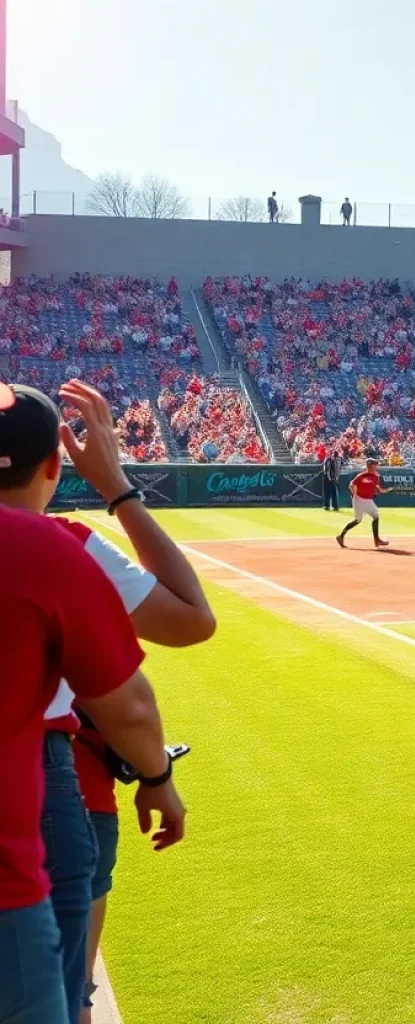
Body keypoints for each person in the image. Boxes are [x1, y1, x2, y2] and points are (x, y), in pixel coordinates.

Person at [0, 380, 212, 1022]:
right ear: (54, 465)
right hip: (47, 790)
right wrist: (116, 487)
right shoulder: (62, 547)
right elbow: (189, 624)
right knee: (57, 994)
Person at [336, 457, 392, 549]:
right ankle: (377, 540)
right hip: (359, 499)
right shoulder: (361, 476)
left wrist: (384, 491)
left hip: (367, 500)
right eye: (374, 466)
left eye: (376, 466)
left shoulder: (376, 476)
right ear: (368, 466)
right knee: (373, 516)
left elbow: (377, 487)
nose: (375, 468)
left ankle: (341, 536)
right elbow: (352, 484)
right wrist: (354, 493)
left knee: (359, 520)